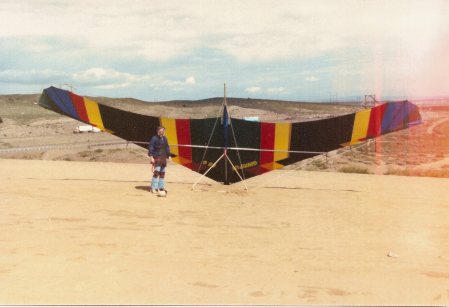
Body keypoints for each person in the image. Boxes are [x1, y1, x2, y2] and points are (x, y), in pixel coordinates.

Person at [148, 126, 171, 195]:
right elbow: (151, 147)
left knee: (162, 173)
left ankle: (161, 187)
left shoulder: (165, 138)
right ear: (158, 131)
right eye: (160, 131)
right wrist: (151, 157)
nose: (162, 132)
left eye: (163, 131)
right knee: (156, 173)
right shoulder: (154, 138)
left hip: (163, 158)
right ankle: (153, 188)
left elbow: (167, 147)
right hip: (156, 157)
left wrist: (169, 155)